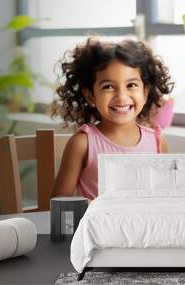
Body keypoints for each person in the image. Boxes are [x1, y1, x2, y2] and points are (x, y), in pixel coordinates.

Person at [51, 37, 174, 199]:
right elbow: (60, 199)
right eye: (108, 86)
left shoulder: (158, 142)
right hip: (96, 224)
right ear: (91, 96)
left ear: (144, 93)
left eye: (131, 85)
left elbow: (166, 195)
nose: (121, 97)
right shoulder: (82, 143)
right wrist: (91, 206)